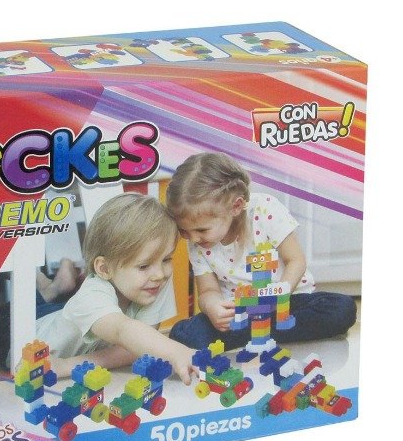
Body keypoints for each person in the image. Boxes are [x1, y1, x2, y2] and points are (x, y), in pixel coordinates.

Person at [165, 152, 357, 350]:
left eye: (201, 230)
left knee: (342, 308)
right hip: (239, 313)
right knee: (183, 334)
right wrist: (212, 307)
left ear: (236, 206)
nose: (192, 238)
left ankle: (258, 332)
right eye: (184, 231)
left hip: (287, 301)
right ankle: (264, 332)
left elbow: (295, 261)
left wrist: (280, 295)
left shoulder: (265, 209)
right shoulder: (196, 240)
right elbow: (208, 290)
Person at [36, 193, 197, 384]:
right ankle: (47, 283)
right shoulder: (92, 296)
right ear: (105, 269)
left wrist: (67, 365)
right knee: (31, 302)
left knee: (59, 303)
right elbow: (122, 330)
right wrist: (174, 350)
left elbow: (135, 348)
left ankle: (56, 285)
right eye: (143, 266)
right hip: (34, 330)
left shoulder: (153, 282)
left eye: (166, 259)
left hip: (68, 315)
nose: (160, 274)